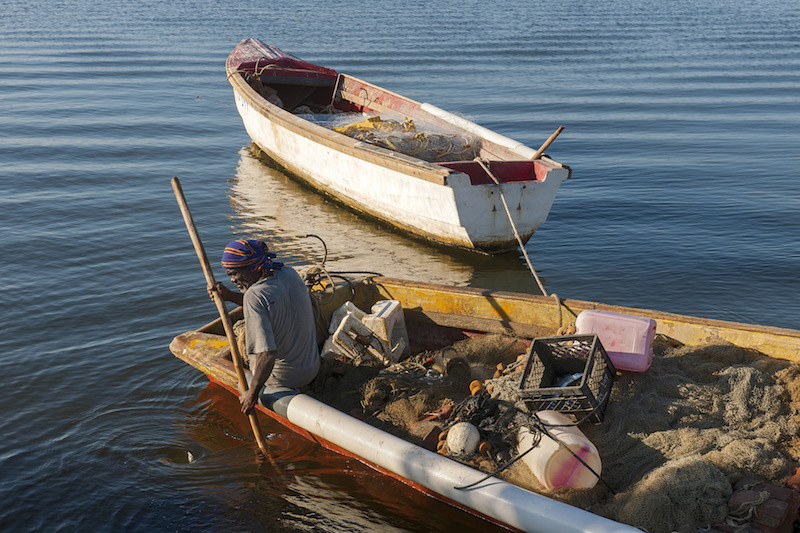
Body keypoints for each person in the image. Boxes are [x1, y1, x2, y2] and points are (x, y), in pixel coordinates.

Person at [209, 239, 320, 414]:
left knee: (243, 383)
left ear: (252, 268)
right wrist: (229, 296)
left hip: (284, 379)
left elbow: (267, 354)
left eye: (234, 274)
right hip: (312, 367)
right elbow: (268, 304)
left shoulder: (254, 296)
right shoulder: (288, 273)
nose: (231, 280)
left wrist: (251, 393)